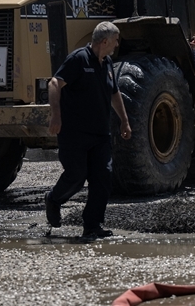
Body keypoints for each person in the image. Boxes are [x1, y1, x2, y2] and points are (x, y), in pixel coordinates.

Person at [45, 21, 132, 239]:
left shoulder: (107, 63)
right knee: (76, 175)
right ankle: (54, 199)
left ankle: (92, 225)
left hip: (100, 134)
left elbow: (114, 92)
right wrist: (56, 115)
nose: (117, 44)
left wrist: (124, 121)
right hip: (74, 133)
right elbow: (54, 83)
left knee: (103, 177)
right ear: (105, 41)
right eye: (115, 40)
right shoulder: (78, 59)